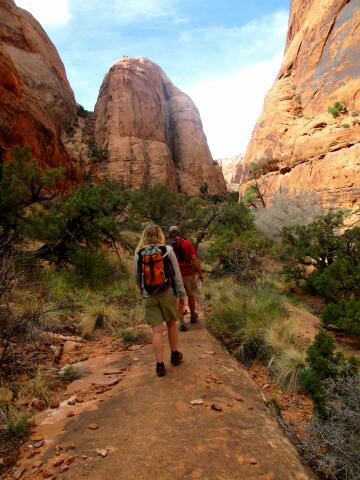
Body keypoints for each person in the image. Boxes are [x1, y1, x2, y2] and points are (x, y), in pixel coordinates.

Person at [134, 224, 186, 377]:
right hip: (168, 293)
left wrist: (143, 291)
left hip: (149, 296)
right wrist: (181, 295)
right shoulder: (167, 250)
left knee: (157, 330)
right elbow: (177, 275)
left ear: (145, 236)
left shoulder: (139, 253)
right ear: (159, 235)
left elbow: (136, 278)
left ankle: (159, 365)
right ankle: (175, 355)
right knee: (171, 324)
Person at [166, 226, 204, 331]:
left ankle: (181, 321)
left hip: (174, 275)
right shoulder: (187, 243)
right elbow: (194, 259)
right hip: (188, 273)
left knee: (179, 297)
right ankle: (192, 315)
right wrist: (200, 273)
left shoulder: (167, 245)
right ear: (179, 233)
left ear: (169, 234)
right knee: (191, 295)